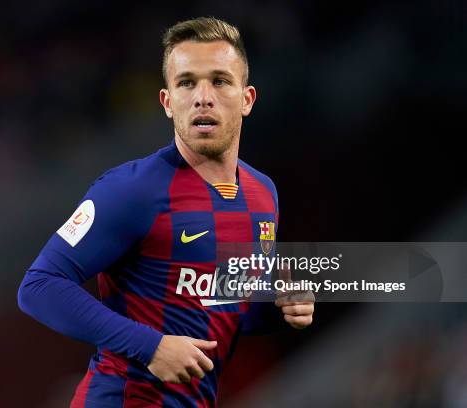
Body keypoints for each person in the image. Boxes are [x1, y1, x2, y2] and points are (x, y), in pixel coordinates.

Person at [18, 17, 314, 407]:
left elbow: (228, 303)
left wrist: (280, 308)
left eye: (220, 81)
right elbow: (39, 286)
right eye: (187, 82)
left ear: (247, 99)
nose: (202, 96)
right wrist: (151, 346)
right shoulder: (131, 189)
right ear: (168, 101)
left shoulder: (262, 195)